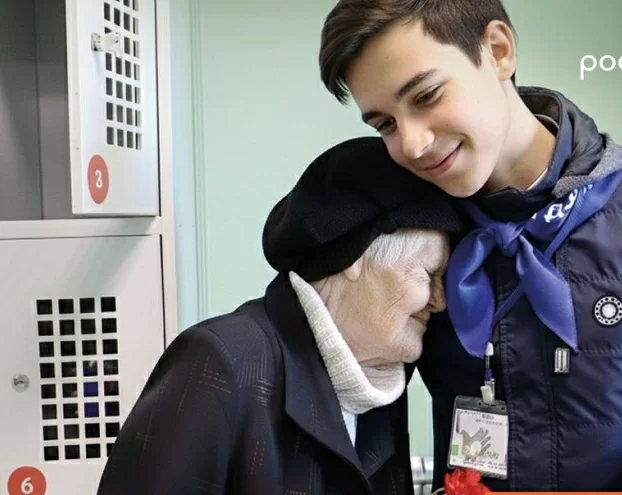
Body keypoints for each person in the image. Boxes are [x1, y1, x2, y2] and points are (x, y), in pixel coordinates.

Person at [318, 0, 622, 492]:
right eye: (384, 124)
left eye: (426, 95)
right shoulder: (402, 232)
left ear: (498, 50)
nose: (411, 144)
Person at [96, 137, 466, 494]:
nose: (440, 301)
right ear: (355, 258)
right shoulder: (221, 361)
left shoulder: (377, 383)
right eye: (429, 274)